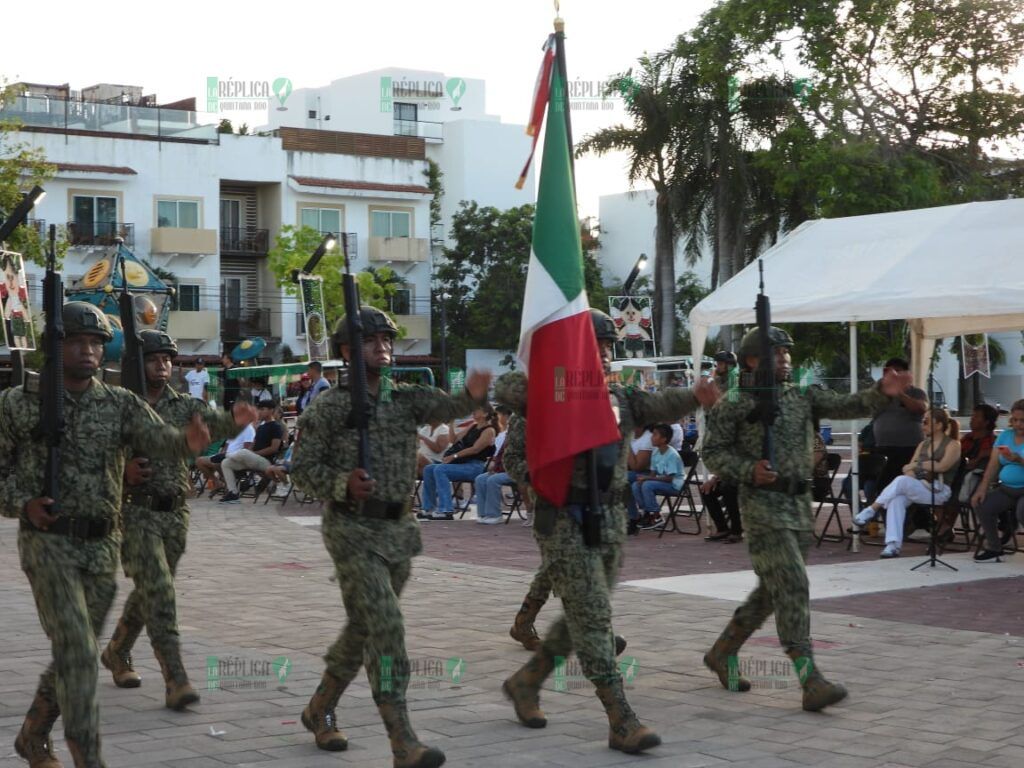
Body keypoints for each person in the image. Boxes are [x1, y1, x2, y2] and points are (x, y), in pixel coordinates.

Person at [0, 302, 211, 768]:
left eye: (95, 343)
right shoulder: (18, 402)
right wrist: (23, 503)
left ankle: (33, 735)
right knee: (76, 649)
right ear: (55, 348)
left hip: (102, 549)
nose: (89, 351)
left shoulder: (119, 403)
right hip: (48, 544)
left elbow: (165, 440)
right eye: (77, 342)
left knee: (75, 656)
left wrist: (194, 438)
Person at [498, 309, 716, 755]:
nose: (601, 353)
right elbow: (515, 457)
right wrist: (538, 481)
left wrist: (695, 395)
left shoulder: (619, 397)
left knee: (585, 612)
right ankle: (621, 719)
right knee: (594, 617)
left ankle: (527, 681)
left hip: (610, 521)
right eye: (591, 345)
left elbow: (661, 406)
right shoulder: (544, 396)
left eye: (606, 346)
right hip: (561, 519)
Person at [290, 306, 491, 767]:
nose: (383, 346)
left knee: (364, 627)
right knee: (387, 626)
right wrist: (343, 484)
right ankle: (402, 740)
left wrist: (473, 392)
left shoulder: (405, 399)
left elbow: (450, 405)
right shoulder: (331, 406)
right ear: (346, 351)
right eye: (370, 340)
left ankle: (319, 708)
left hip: (399, 531)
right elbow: (302, 469)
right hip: (352, 530)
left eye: (386, 339)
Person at [702, 325, 908, 711]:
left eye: (786, 354)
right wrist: (749, 470)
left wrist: (881, 394)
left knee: (773, 591)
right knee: (793, 583)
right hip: (763, 508)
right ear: (751, 360)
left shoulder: (801, 396)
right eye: (776, 354)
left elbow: (847, 405)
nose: (784, 360)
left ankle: (721, 652)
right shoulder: (735, 403)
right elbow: (713, 452)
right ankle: (809, 678)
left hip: (798, 508)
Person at [102, 331, 255, 710]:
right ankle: (175, 678)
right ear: (138, 363)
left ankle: (118, 650)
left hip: (175, 514)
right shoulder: (120, 405)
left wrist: (237, 420)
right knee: (160, 591)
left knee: (152, 590)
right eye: (155, 358)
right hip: (135, 510)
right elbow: (95, 454)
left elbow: (217, 425)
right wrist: (122, 472)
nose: (163, 365)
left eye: (168, 359)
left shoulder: (184, 404)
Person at [851, 408, 962, 558]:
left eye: (926, 422)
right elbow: (907, 469)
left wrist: (919, 465)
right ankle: (892, 545)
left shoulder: (953, 445)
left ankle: (872, 509)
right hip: (918, 485)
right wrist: (925, 465)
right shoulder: (923, 444)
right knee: (896, 499)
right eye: (923, 421)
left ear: (938, 425)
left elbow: (942, 466)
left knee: (901, 481)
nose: (922, 425)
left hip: (940, 490)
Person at [418, 405, 497, 521]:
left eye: (477, 409)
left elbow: (475, 449)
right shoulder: (473, 426)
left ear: (485, 414)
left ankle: (446, 510)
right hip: (462, 463)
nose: (473, 411)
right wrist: (452, 422)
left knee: (440, 469)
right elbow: (453, 440)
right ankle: (428, 507)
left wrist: (454, 456)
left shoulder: (489, 430)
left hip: (476, 466)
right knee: (429, 469)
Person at [971, 399, 1024, 562]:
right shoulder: (1005, 436)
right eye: (1015, 420)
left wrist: (1019, 460)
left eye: (1023, 420)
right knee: (982, 503)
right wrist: (982, 488)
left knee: (1022, 511)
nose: (1018, 424)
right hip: (1006, 488)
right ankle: (994, 548)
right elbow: (993, 465)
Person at [871, 357, 928, 494]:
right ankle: (886, 514)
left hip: (908, 449)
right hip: (883, 448)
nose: (893, 376)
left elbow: (921, 409)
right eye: (890, 372)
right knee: (882, 487)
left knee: (903, 487)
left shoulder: (916, 392)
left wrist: (901, 394)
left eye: (897, 372)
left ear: (906, 374)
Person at [219, 398, 284, 503]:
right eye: (259, 409)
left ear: (271, 410)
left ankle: (226, 454)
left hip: (266, 462)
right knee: (226, 463)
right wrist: (250, 452)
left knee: (243, 452)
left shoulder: (276, 427)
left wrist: (253, 453)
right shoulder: (260, 427)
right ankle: (233, 493)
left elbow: (274, 448)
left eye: (263, 409)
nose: (260, 412)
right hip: (252, 459)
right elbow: (253, 444)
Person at [631, 423, 686, 525]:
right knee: (636, 484)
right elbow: (653, 474)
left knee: (647, 485)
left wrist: (647, 478)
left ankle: (656, 515)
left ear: (664, 439)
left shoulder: (672, 455)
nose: (652, 438)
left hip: (675, 485)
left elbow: (669, 478)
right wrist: (646, 478)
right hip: (663, 482)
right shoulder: (656, 451)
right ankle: (647, 512)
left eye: (655, 435)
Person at [473, 405, 513, 524]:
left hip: (514, 470)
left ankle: (495, 514)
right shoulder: (504, 435)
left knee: (493, 480)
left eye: (499, 415)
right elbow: (499, 455)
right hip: (502, 469)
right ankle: (483, 513)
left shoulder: (513, 435)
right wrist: (495, 465)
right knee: (480, 479)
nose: (496, 418)